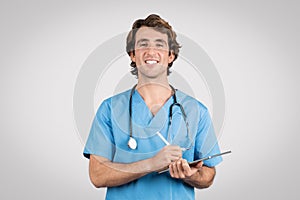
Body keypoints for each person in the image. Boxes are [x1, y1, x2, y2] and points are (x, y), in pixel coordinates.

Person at [83, 14, 222, 200]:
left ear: (171, 55)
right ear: (132, 54)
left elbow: (208, 176)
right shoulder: (110, 109)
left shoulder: (196, 111)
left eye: (159, 44)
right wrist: (151, 164)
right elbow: (97, 175)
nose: (151, 51)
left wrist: (191, 175)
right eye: (143, 44)